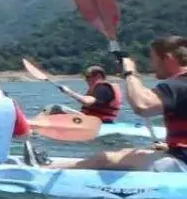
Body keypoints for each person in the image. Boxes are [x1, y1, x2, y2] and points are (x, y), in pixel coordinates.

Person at [67, 36, 187, 172]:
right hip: (180, 153)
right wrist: (171, 146)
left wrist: (130, 72)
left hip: (182, 162)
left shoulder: (177, 85)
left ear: (168, 58)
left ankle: (44, 170)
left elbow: (142, 106)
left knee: (105, 159)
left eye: (154, 59)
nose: (152, 66)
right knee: (126, 152)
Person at [46, 66, 122, 122]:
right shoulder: (102, 87)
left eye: (88, 77)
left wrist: (68, 92)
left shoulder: (103, 88)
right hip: (95, 120)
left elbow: (87, 101)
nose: (85, 80)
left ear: (98, 76)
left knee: (55, 108)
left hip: (96, 123)